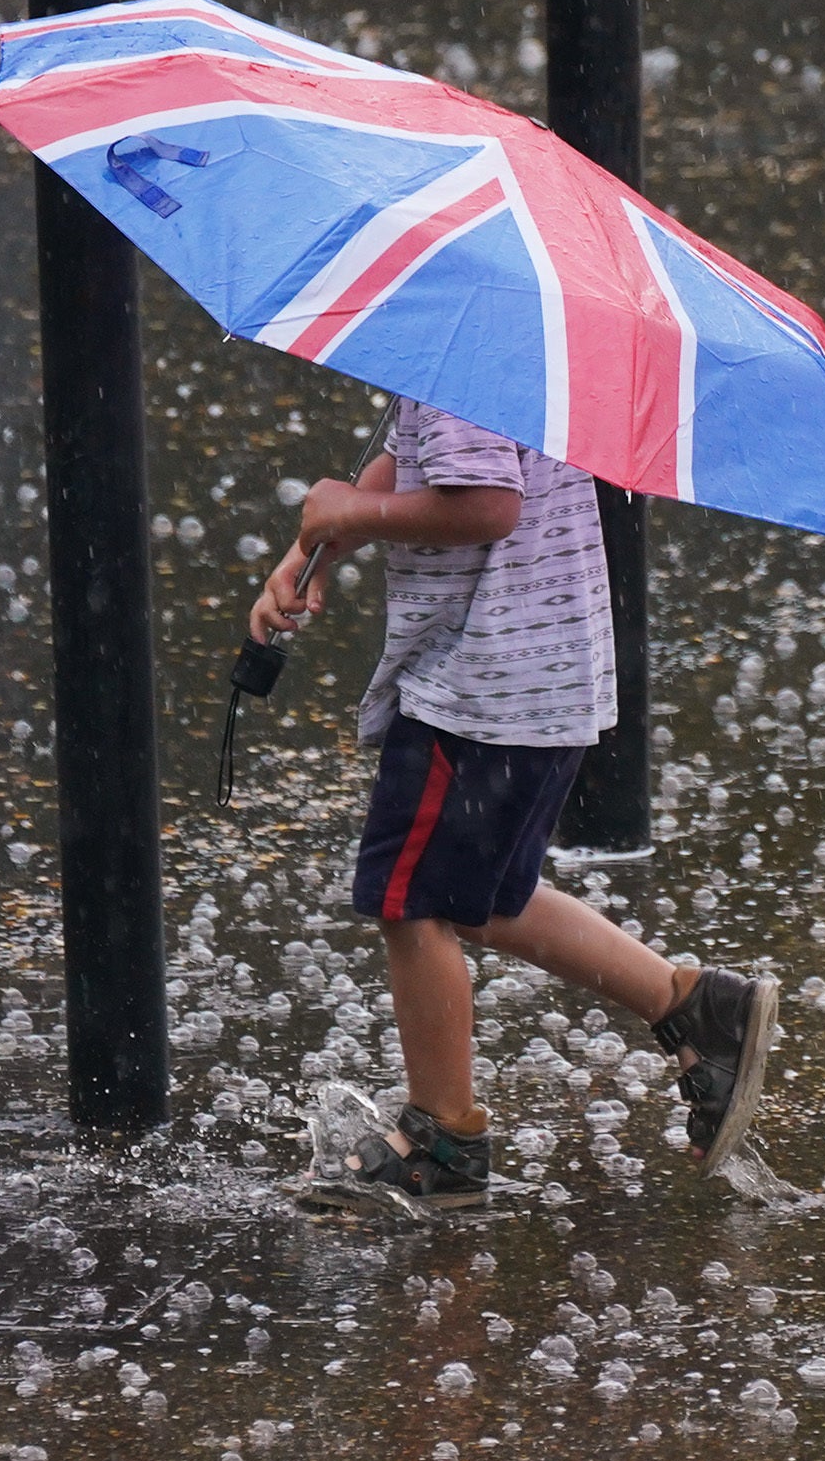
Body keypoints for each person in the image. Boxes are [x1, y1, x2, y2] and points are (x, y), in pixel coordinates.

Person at [249, 397, 779, 1215]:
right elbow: (424, 465)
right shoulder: (508, 342)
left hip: (479, 685)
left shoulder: (468, 339)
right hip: (538, 677)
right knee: (488, 897)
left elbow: (489, 504)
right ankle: (696, 1009)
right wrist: (319, 542)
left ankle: (442, 1141)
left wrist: (351, 507)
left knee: (413, 900)